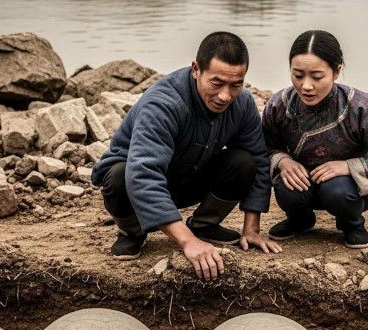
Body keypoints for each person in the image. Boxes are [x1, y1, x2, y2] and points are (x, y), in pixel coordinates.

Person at [91, 32, 281, 281]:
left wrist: (252, 229)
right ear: (196, 69)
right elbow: (143, 175)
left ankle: (204, 224)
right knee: (118, 176)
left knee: (244, 161)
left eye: (236, 85)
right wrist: (188, 242)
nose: (225, 95)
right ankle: (133, 232)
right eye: (217, 83)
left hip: (189, 177)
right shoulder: (163, 104)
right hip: (135, 188)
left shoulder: (242, 104)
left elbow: (257, 157)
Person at [261, 30, 368, 249]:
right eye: (298, 75)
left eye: (317, 77)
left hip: (348, 190)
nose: (306, 86)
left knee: (338, 190)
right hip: (304, 184)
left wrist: (349, 166)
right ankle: (300, 220)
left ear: (336, 72)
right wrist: (282, 161)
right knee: (288, 188)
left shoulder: (362, 108)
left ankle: (352, 224)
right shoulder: (279, 105)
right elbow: (263, 147)